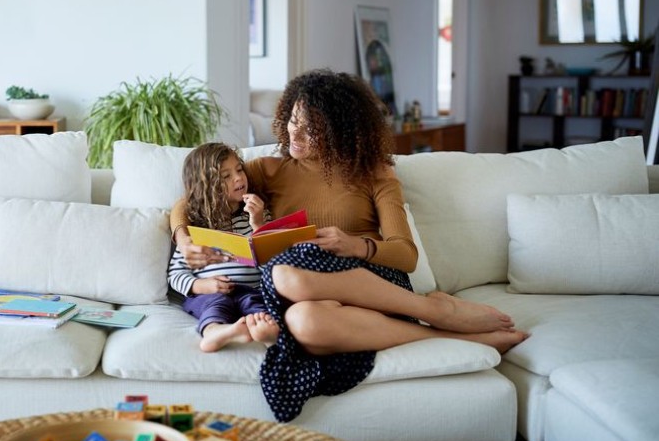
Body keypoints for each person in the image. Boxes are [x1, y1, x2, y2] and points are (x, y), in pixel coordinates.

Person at [171, 69, 528, 421]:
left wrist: (358, 246)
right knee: (301, 321)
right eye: (294, 120)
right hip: (311, 299)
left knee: (286, 276)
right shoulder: (269, 170)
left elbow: (405, 255)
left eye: (311, 128)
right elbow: (193, 196)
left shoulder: (375, 172)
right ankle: (442, 330)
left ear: (340, 130)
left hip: (372, 285)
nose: (296, 132)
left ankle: (433, 310)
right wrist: (183, 237)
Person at [167, 143, 281, 352]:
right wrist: (200, 286)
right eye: (226, 176)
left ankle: (267, 334)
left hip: (251, 290)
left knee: (259, 309)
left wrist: (258, 225)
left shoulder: (257, 215)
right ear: (206, 186)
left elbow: (271, 267)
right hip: (208, 292)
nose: (238, 178)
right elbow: (175, 274)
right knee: (215, 306)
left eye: (239, 170)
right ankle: (214, 333)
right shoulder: (196, 226)